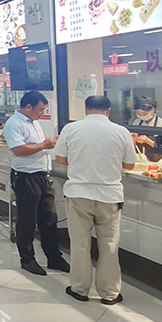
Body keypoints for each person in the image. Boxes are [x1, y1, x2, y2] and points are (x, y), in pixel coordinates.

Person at [54, 95, 137, 305]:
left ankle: (79, 289)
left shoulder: (70, 129)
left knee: (80, 243)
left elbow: (60, 159)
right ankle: (109, 293)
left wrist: (81, 161)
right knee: (109, 244)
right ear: (108, 111)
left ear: (86, 109)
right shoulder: (121, 132)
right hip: (109, 196)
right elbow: (130, 165)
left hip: (79, 194)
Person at [2, 90, 69, 276]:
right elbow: (18, 150)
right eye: (40, 109)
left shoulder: (34, 122)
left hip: (42, 176)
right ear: (28, 106)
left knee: (49, 218)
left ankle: (54, 257)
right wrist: (44, 145)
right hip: (26, 177)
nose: (42, 113)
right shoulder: (14, 124)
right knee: (27, 220)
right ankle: (27, 259)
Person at [128, 96, 162, 161]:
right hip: (140, 159)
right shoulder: (137, 122)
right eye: (138, 113)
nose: (141, 115)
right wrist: (134, 139)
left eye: (143, 113)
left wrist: (147, 140)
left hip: (157, 161)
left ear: (153, 109)